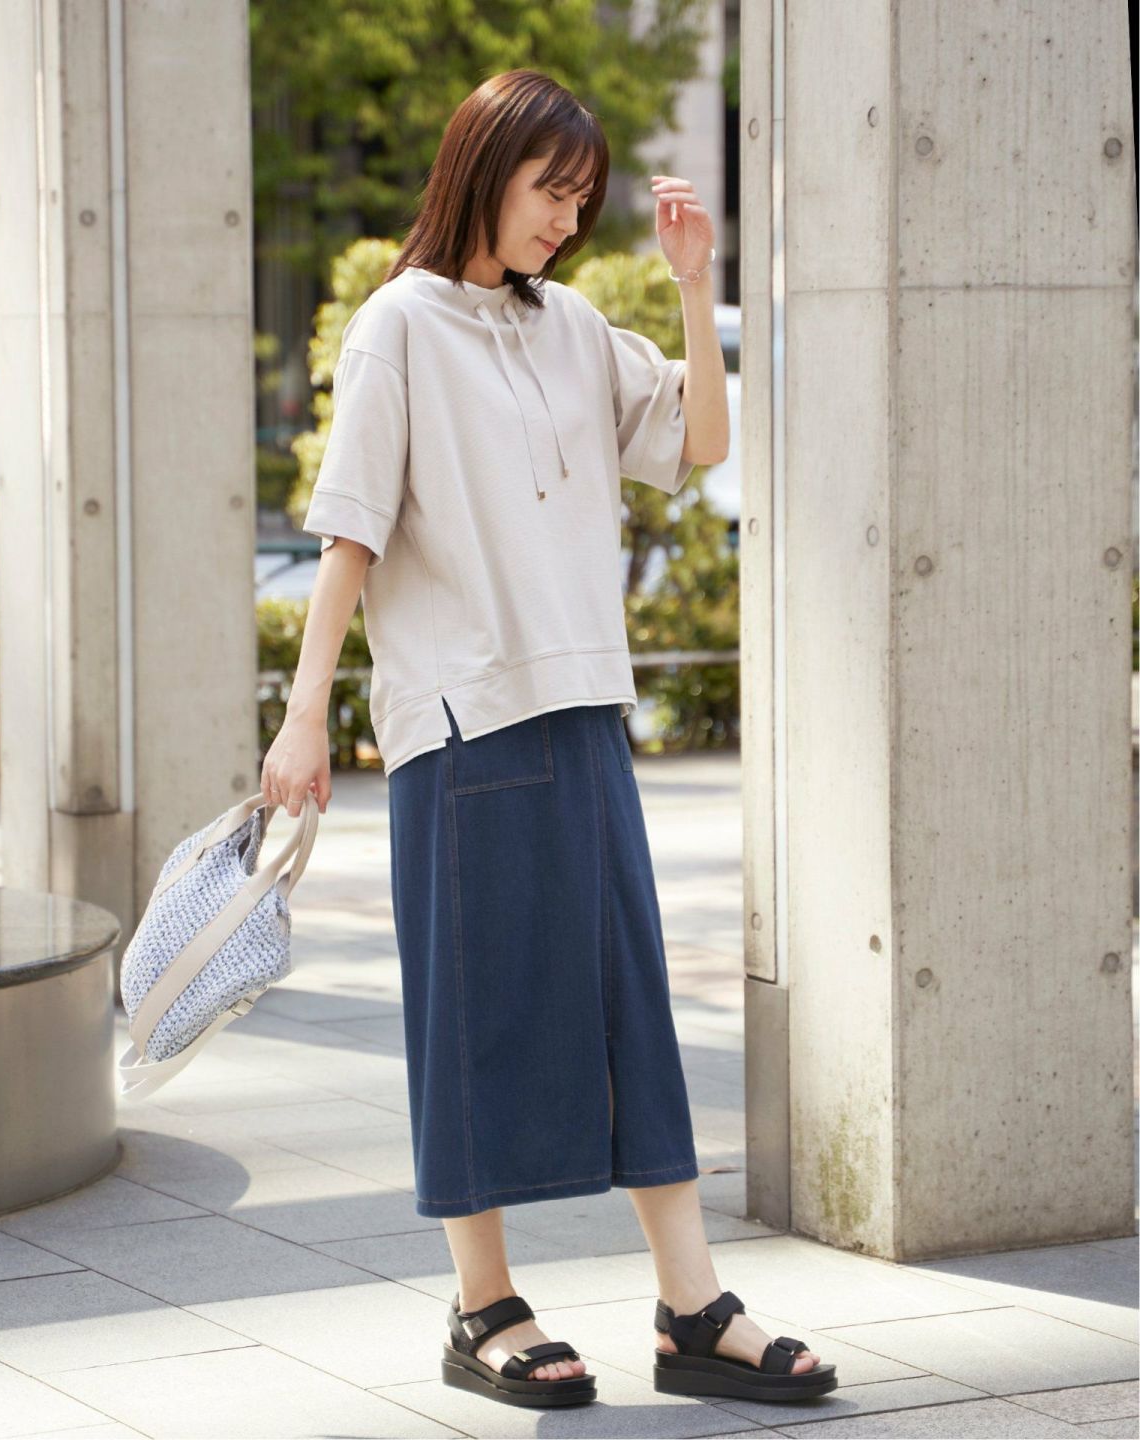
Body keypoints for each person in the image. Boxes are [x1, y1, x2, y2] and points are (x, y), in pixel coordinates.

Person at [261, 68, 835, 1411]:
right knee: (480, 1015)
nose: (567, 222)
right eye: (549, 192)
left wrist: (695, 285)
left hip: (584, 710)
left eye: (583, 201)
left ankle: (692, 1306)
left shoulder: (571, 326)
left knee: (631, 1005)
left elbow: (699, 441)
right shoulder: (398, 326)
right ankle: (484, 1306)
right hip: (462, 723)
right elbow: (349, 529)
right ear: (484, 169)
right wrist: (302, 713)